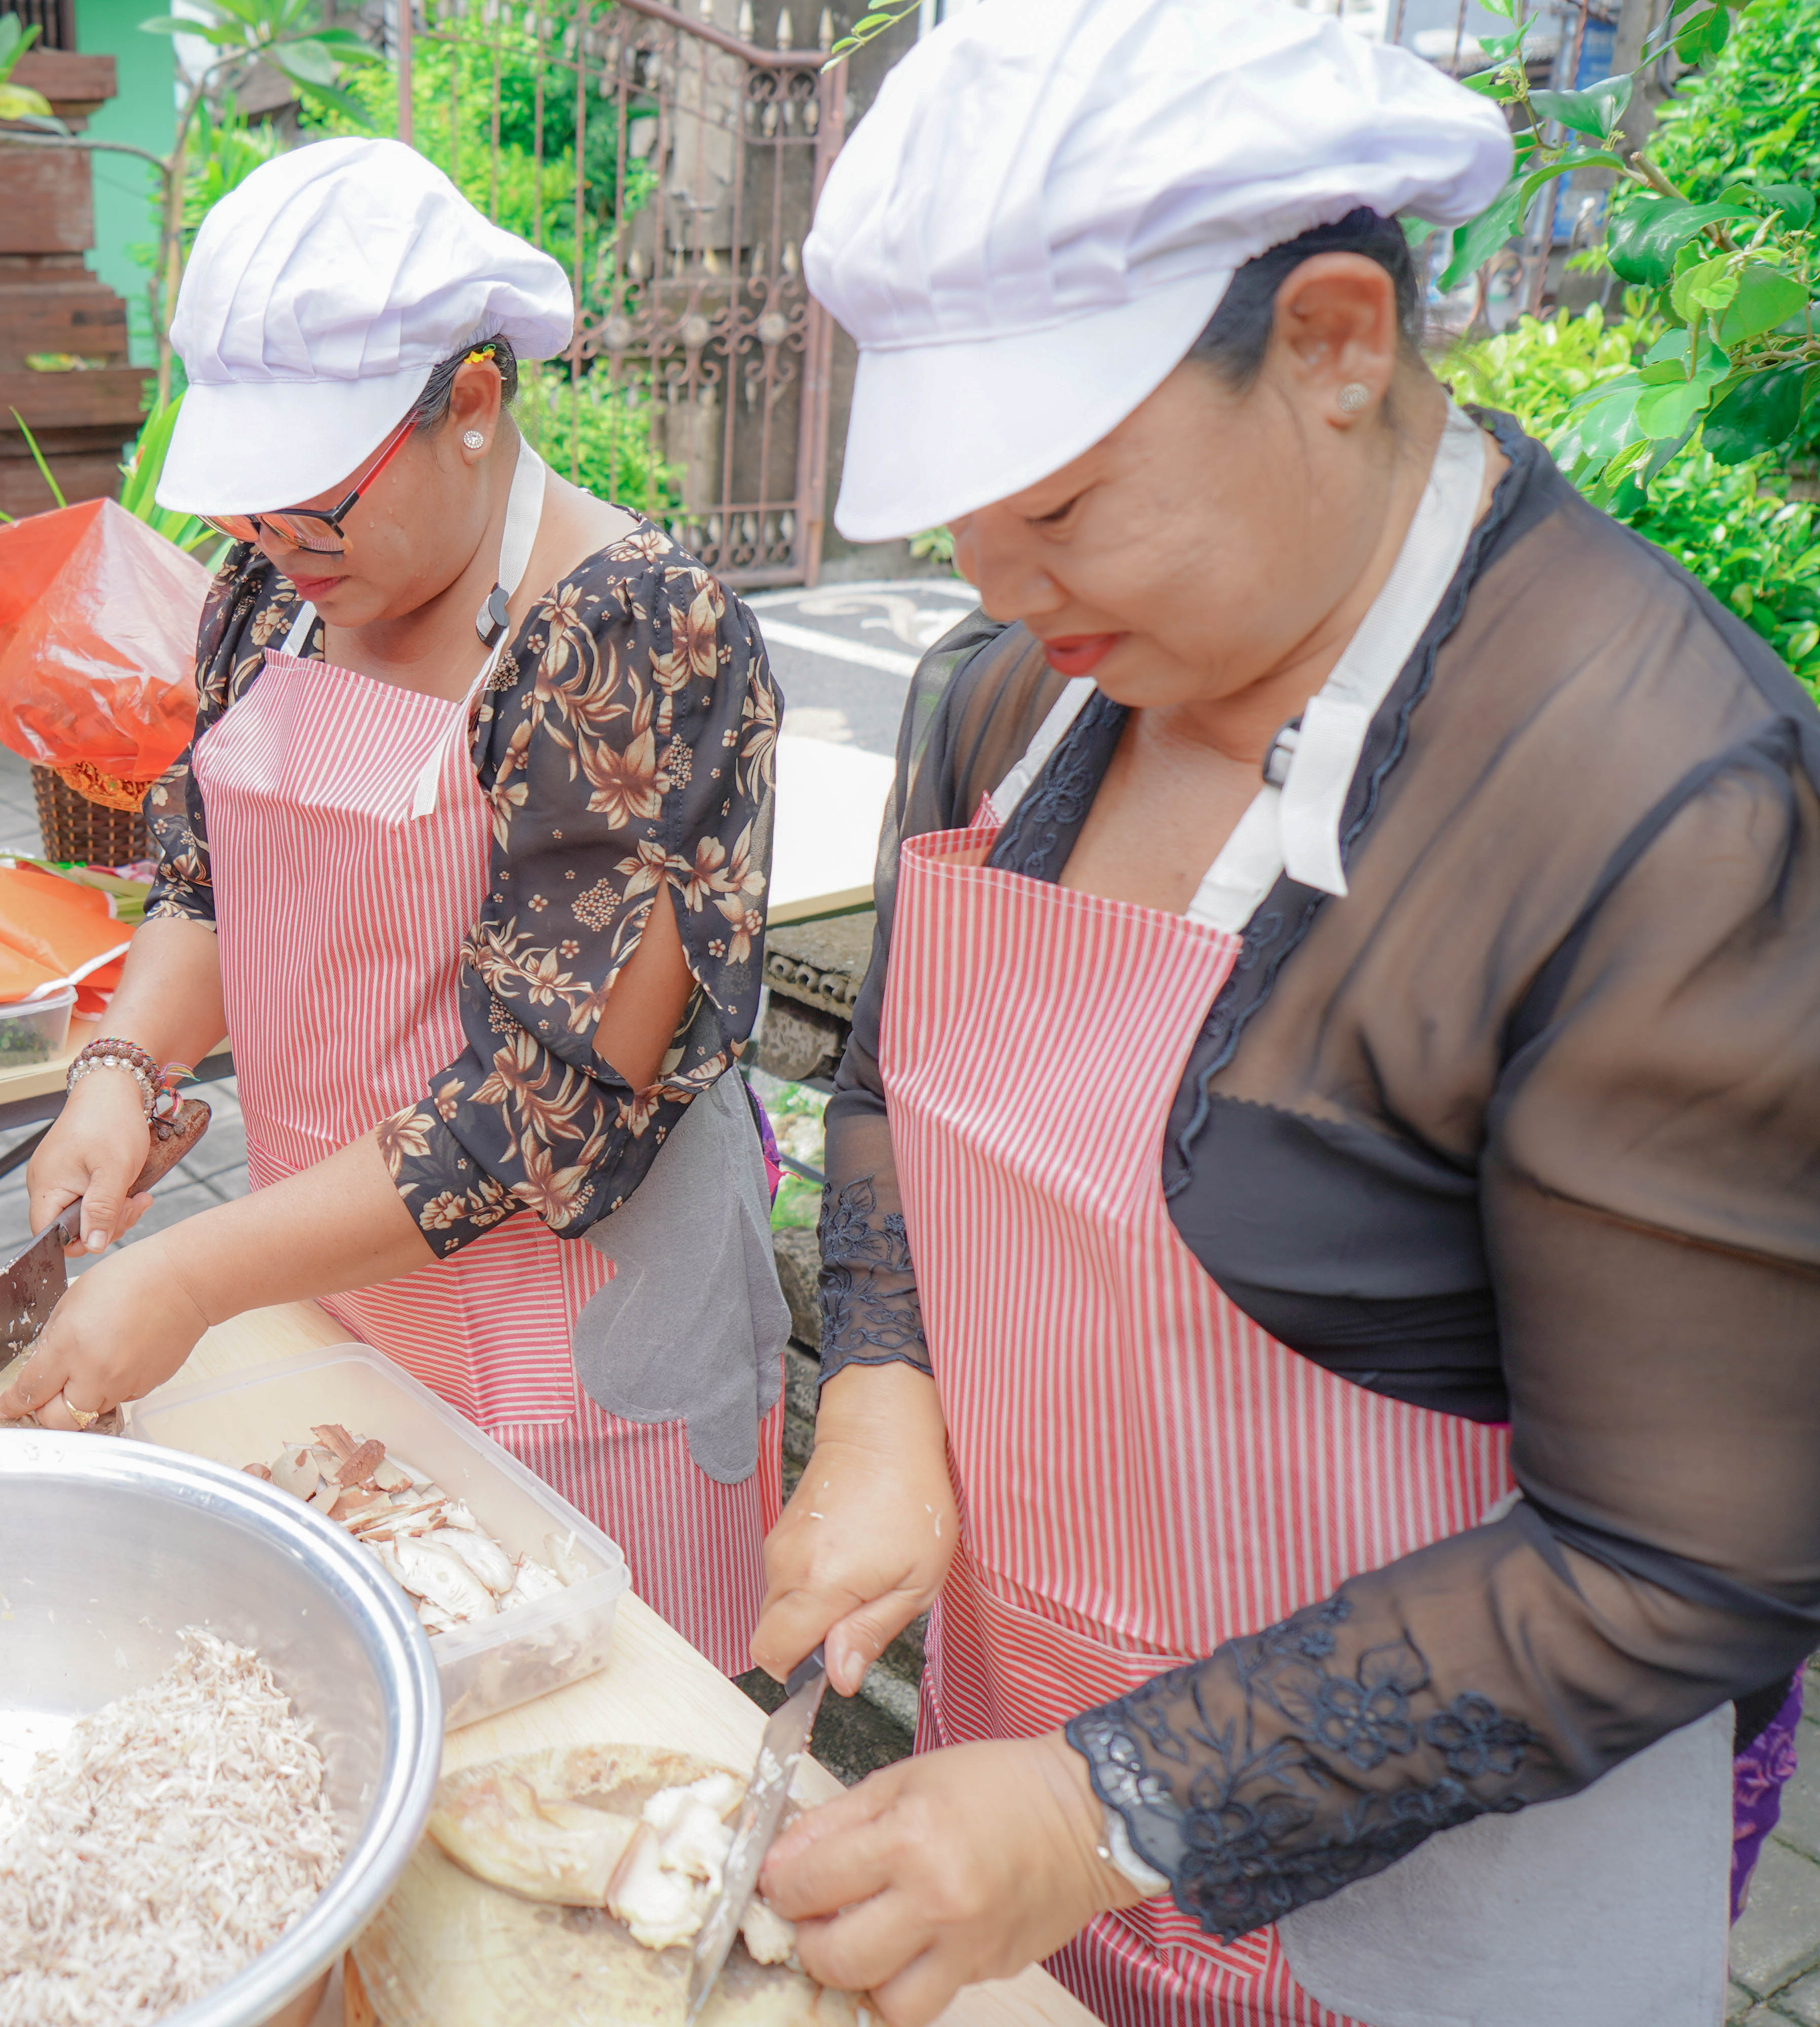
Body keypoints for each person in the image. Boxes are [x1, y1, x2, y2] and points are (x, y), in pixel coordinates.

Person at [749, 4, 1819, 2024]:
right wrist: (883, 1392)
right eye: (962, 508)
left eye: (1061, 503)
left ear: (1332, 343)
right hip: (1029, 1766)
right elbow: (895, 1081)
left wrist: (1110, 1801)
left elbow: (1685, 1558)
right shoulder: (1007, 700)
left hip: (1424, 1912)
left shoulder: (1662, 811)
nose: (993, 574)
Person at [0, 139, 791, 1674]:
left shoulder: (635, 638)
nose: (280, 548)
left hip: (575, 1329)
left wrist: (193, 1273)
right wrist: (120, 1070)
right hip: (335, 1273)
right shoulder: (279, 593)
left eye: (318, 512)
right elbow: (208, 875)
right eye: (253, 517)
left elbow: (549, 1106)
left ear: (473, 406)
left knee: (586, 1735)